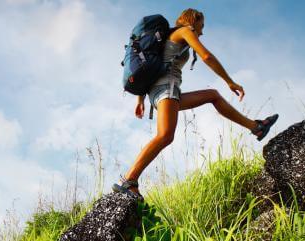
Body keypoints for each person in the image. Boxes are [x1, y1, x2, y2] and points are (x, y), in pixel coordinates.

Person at [113, 8, 279, 198]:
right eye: (202, 26)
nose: (202, 31)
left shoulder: (169, 36)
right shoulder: (185, 31)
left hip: (163, 90)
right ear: (194, 21)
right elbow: (206, 56)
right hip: (166, 88)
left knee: (212, 95)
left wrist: (140, 98)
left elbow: (152, 65)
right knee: (165, 136)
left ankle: (256, 127)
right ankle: (128, 180)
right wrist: (230, 81)